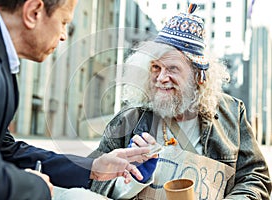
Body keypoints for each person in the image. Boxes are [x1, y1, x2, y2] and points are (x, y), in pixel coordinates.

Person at [0, 0, 154, 199]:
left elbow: (5, 149)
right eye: (64, 22)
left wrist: (93, 168)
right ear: (33, 12)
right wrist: (38, 186)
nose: (63, 36)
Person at [88, 3, 272, 200]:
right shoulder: (128, 119)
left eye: (172, 69)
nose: (161, 78)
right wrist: (132, 177)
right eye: (156, 68)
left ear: (198, 76)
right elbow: (92, 180)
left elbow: (255, 178)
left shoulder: (233, 113)